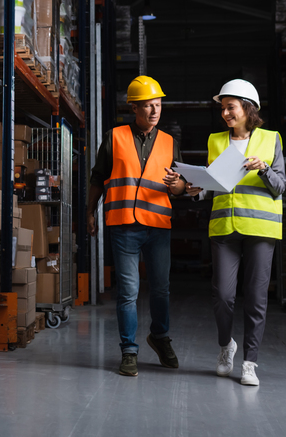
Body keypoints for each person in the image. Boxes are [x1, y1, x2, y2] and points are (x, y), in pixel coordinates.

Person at [165, 78, 285, 387]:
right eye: (222, 109)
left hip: (260, 227)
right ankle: (225, 346)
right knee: (222, 295)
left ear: (247, 109)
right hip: (224, 226)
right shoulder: (215, 141)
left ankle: (249, 362)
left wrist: (264, 169)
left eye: (230, 108)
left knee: (256, 298)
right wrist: (195, 189)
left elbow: (280, 186)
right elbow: (214, 186)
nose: (225, 114)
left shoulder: (271, 140)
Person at [87, 76, 190, 377]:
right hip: (123, 226)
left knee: (160, 289)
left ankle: (159, 338)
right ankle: (129, 351)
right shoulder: (115, 136)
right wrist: (89, 213)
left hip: (157, 226)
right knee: (128, 292)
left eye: (158, 104)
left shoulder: (170, 142)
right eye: (148, 105)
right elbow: (97, 177)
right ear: (133, 107)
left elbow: (182, 186)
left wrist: (178, 186)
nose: (155, 111)